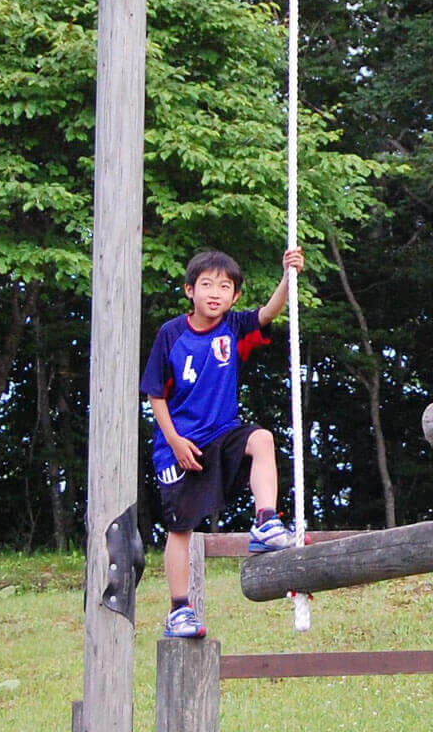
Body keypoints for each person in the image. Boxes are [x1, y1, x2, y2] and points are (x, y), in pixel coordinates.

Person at [140, 246, 304, 638]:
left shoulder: (234, 328)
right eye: (207, 285)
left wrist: (287, 276)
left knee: (261, 439)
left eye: (225, 286)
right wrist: (175, 440)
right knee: (180, 528)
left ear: (235, 297)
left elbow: (268, 315)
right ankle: (180, 610)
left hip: (223, 433)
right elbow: (154, 394)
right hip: (180, 444)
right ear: (189, 291)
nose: (215, 292)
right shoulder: (171, 334)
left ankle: (266, 521)